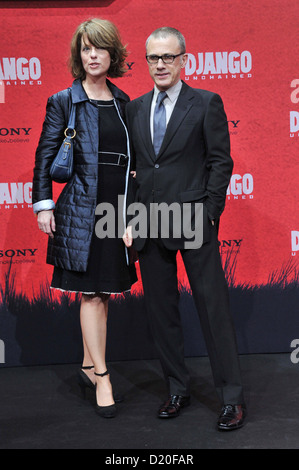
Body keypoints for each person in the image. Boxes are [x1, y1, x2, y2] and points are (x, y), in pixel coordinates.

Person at [123, 27, 246, 430]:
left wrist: (211, 213)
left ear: (183, 60)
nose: (160, 65)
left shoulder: (206, 103)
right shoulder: (135, 108)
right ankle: (177, 388)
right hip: (148, 221)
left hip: (194, 219)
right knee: (161, 313)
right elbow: (135, 170)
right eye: (153, 58)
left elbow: (220, 162)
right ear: (146, 61)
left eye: (168, 57)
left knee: (213, 311)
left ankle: (231, 398)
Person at [33, 18, 137, 419]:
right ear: (79, 55)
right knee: (90, 294)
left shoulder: (125, 102)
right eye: (85, 49)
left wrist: (134, 214)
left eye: (99, 48)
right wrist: (43, 204)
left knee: (104, 292)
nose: (92, 55)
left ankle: (85, 366)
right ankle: (104, 377)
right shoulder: (64, 100)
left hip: (116, 208)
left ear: (113, 54)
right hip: (80, 208)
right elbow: (45, 156)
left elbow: (136, 165)